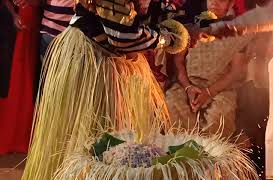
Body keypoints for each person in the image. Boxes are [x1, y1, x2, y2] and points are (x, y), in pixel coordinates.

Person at [22, 0, 189, 179]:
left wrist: (192, 27)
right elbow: (122, 36)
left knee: (111, 137)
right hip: (90, 61)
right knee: (95, 141)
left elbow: (144, 12)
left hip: (110, 61)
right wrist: (167, 39)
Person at [166, 0, 252, 137]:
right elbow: (179, 62)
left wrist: (209, 92)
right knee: (172, 103)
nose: (215, 2)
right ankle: (182, 154)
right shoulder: (189, 27)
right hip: (187, 84)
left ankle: (211, 156)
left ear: (230, 5)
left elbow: (235, 71)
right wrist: (188, 88)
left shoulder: (239, 32)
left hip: (220, 88)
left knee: (219, 116)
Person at [0, 0, 41, 154]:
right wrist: (13, 14)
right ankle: (18, 129)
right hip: (19, 21)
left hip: (33, 20)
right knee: (19, 71)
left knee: (28, 72)